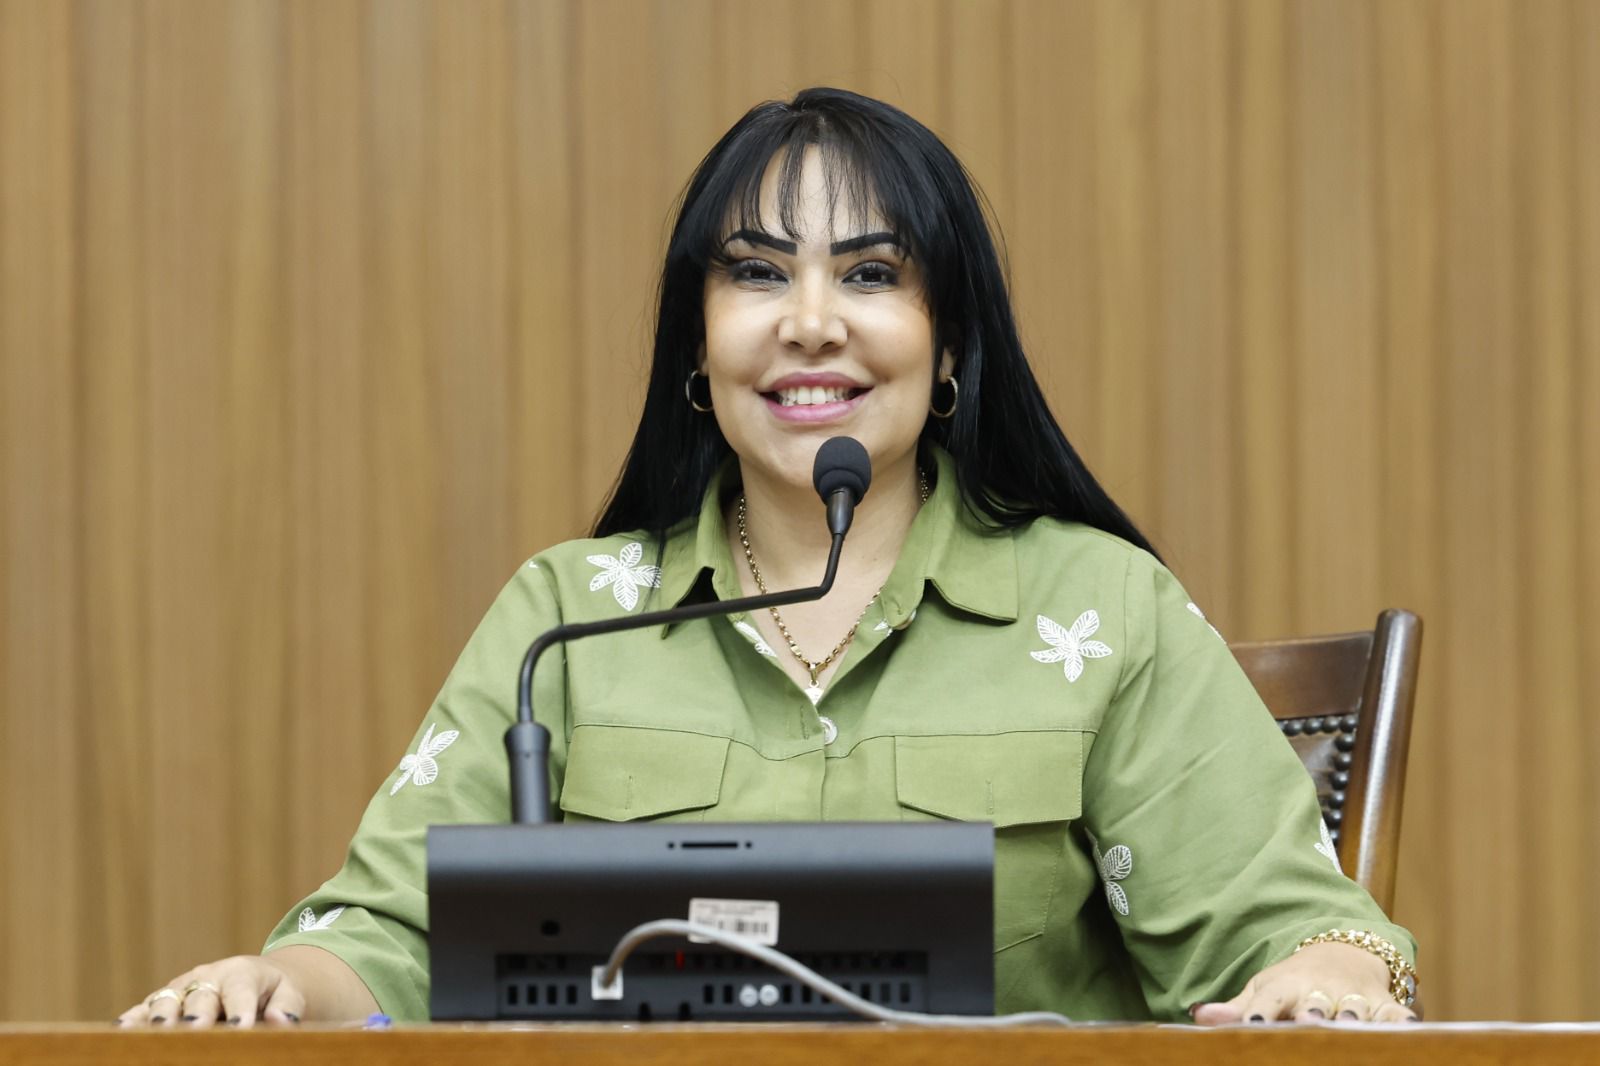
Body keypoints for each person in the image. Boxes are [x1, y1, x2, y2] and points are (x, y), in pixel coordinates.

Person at [120, 87, 1418, 1028]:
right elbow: (396, 934)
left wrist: (1332, 980)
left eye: (870, 274)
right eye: (755, 273)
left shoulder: (1099, 607)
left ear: (951, 347)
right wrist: (275, 986)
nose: (809, 323)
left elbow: (1291, 928)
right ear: (697, 346)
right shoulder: (567, 621)